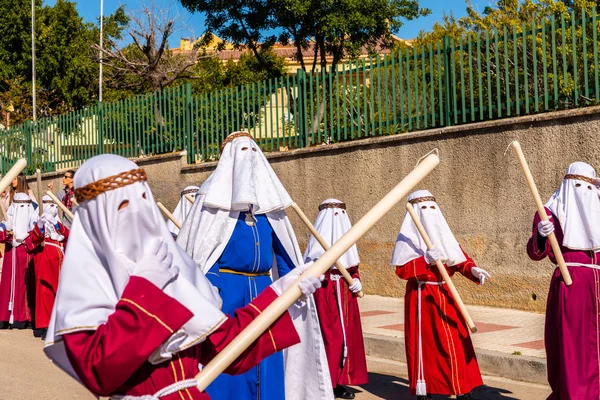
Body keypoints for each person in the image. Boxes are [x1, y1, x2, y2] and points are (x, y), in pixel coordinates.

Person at [43, 154, 322, 400]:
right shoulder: (88, 287)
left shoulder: (170, 266)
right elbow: (100, 372)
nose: (139, 214)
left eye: (144, 200)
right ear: (96, 217)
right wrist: (145, 290)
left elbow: (226, 347)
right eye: (124, 205)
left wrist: (280, 296)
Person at [177, 131, 333, 400]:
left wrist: (297, 284)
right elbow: (197, 257)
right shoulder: (211, 201)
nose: (248, 161)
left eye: (253, 152)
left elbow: (285, 257)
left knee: (267, 359)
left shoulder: (270, 208)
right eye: (241, 153)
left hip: (264, 295)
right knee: (226, 363)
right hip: (224, 296)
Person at [391, 190, 489, 400]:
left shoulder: (443, 233)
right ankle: (423, 389)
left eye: (431, 207)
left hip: (446, 291)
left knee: (455, 340)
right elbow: (401, 270)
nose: (429, 212)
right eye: (423, 208)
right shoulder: (408, 238)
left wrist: (473, 270)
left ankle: (461, 386)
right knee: (425, 345)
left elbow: (459, 258)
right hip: (421, 297)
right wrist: (424, 259)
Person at [526, 162, 600, 399]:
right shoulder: (551, 212)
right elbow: (535, 253)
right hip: (573, 284)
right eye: (577, 185)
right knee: (575, 348)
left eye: (588, 187)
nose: (583, 193)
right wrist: (540, 234)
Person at [303, 199, 368, 399]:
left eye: (340, 214)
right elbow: (310, 269)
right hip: (325, 293)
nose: (336, 219)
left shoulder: (348, 242)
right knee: (330, 338)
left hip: (346, 293)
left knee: (346, 338)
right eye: (332, 214)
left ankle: (339, 382)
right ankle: (326, 382)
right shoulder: (316, 244)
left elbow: (352, 266)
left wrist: (355, 280)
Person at [24, 195, 69, 340]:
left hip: (60, 260)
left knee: (60, 293)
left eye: (52, 204)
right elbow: (34, 239)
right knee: (44, 293)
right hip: (43, 259)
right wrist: (41, 225)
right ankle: (45, 326)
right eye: (47, 204)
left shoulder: (58, 222)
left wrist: (57, 225)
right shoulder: (37, 221)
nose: (50, 207)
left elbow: (67, 236)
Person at [0, 192, 38, 329]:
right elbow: (1, 233)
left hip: (25, 253)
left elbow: (36, 235)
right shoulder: (8, 219)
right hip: (11, 253)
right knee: (7, 284)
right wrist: (7, 233)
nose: (23, 208)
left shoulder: (33, 218)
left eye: (25, 205)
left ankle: (23, 318)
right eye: (19, 205)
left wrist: (25, 240)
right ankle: (4, 316)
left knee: (24, 285)